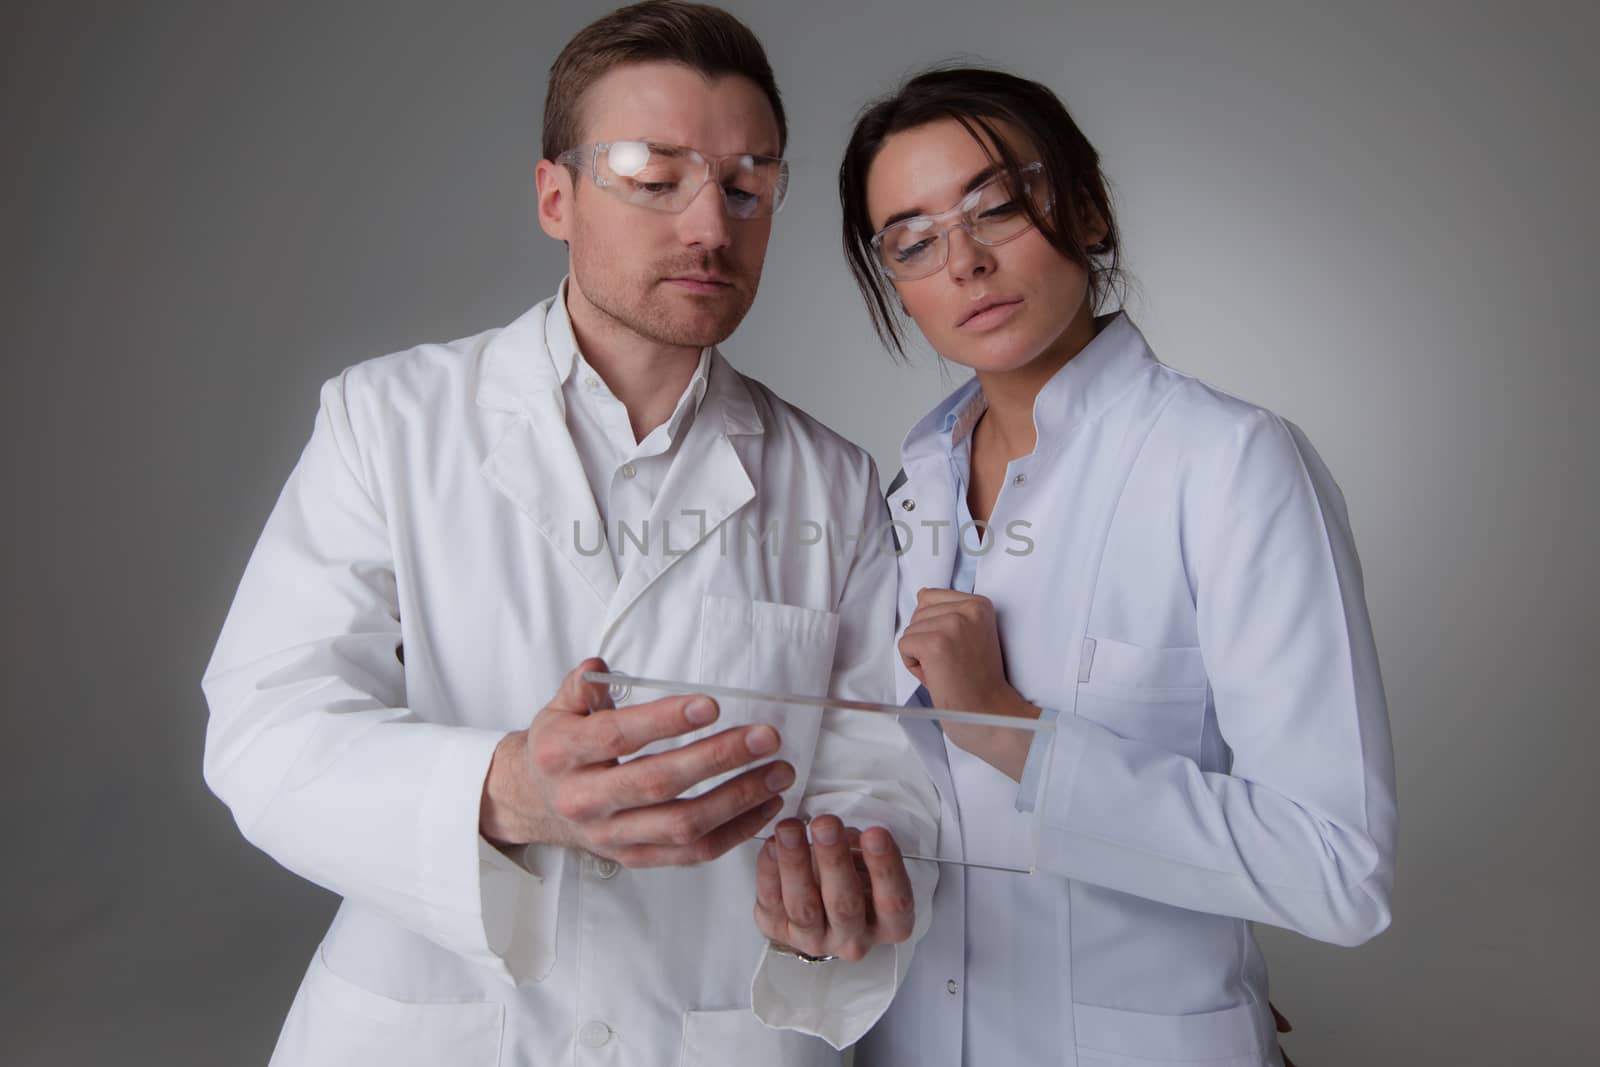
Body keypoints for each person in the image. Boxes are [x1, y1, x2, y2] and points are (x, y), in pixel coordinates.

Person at [200, 4, 938, 1064]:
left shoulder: (833, 480)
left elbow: (875, 771)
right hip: (438, 1025)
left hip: (708, 1025)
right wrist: (506, 790)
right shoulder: (388, 421)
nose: (707, 226)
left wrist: (841, 884)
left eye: (746, 186)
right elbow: (265, 728)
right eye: (651, 175)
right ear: (556, 195)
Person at [837, 68, 1397, 1067]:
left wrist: (1011, 730)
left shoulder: (1228, 462)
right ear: (898, 285)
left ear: (1087, 209)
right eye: (913, 241)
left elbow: (1335, 872)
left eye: (998, 205)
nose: (964, 261)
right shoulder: (901, 489)